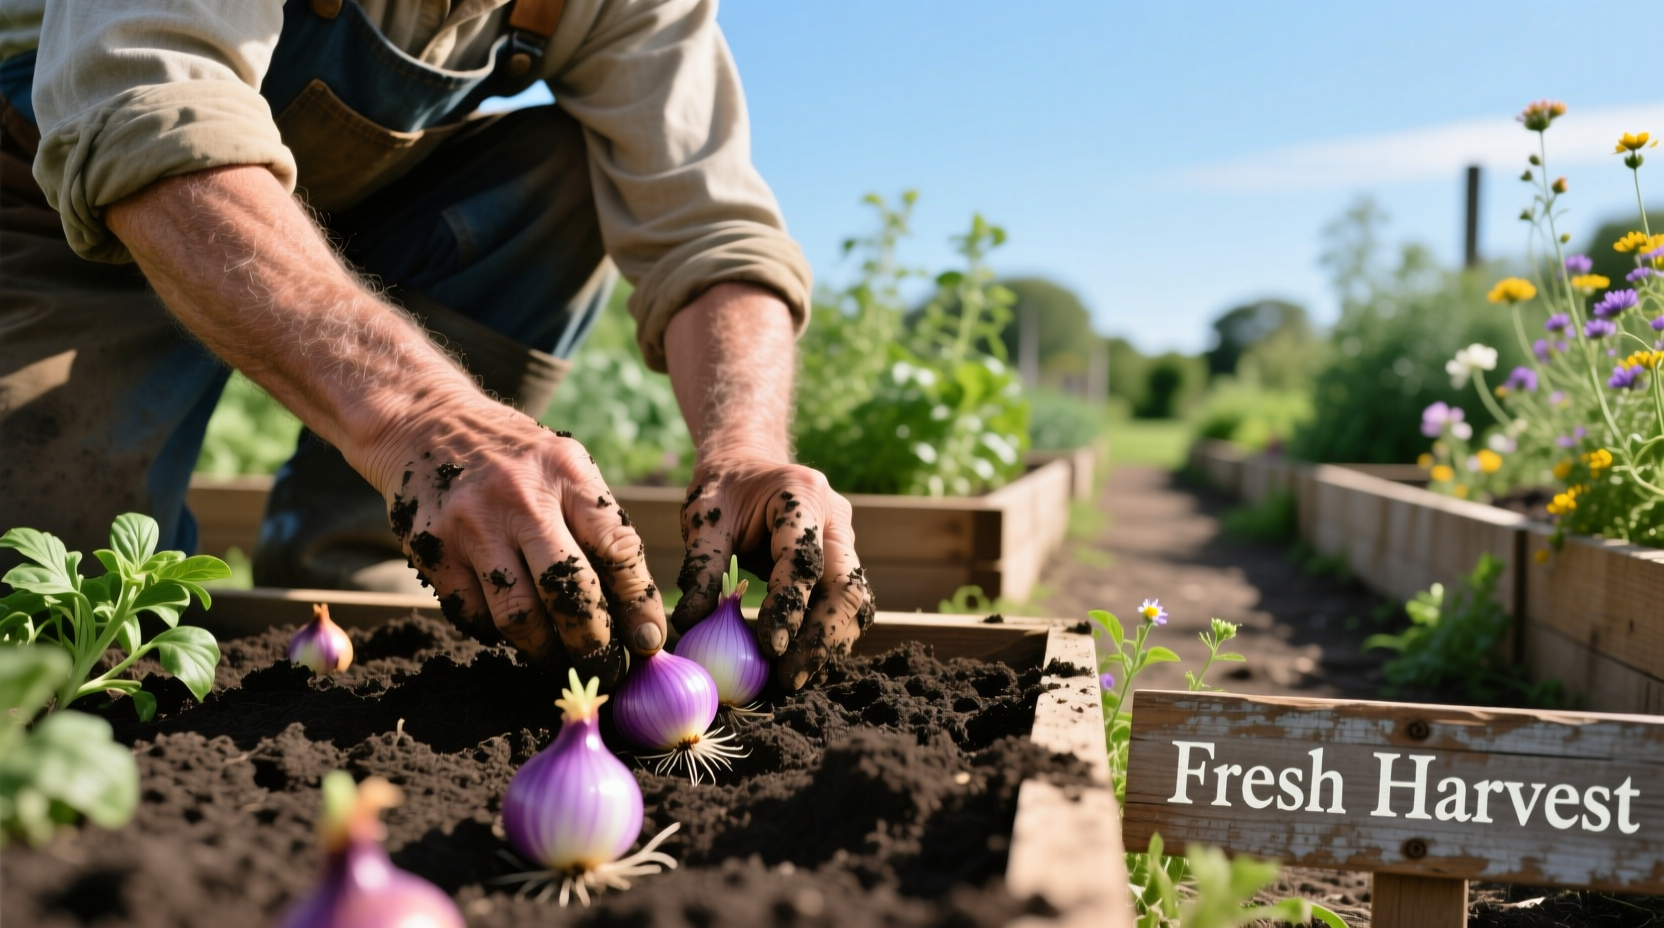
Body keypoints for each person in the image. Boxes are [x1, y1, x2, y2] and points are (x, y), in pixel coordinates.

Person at [0, 0, 875, 689]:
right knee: (58, 620)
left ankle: (363, 573)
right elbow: (149, 109)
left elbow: (711, 228)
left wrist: (745, 451)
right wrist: (424, 415)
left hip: (344, 213)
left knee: (560, 176)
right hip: (60, 201)